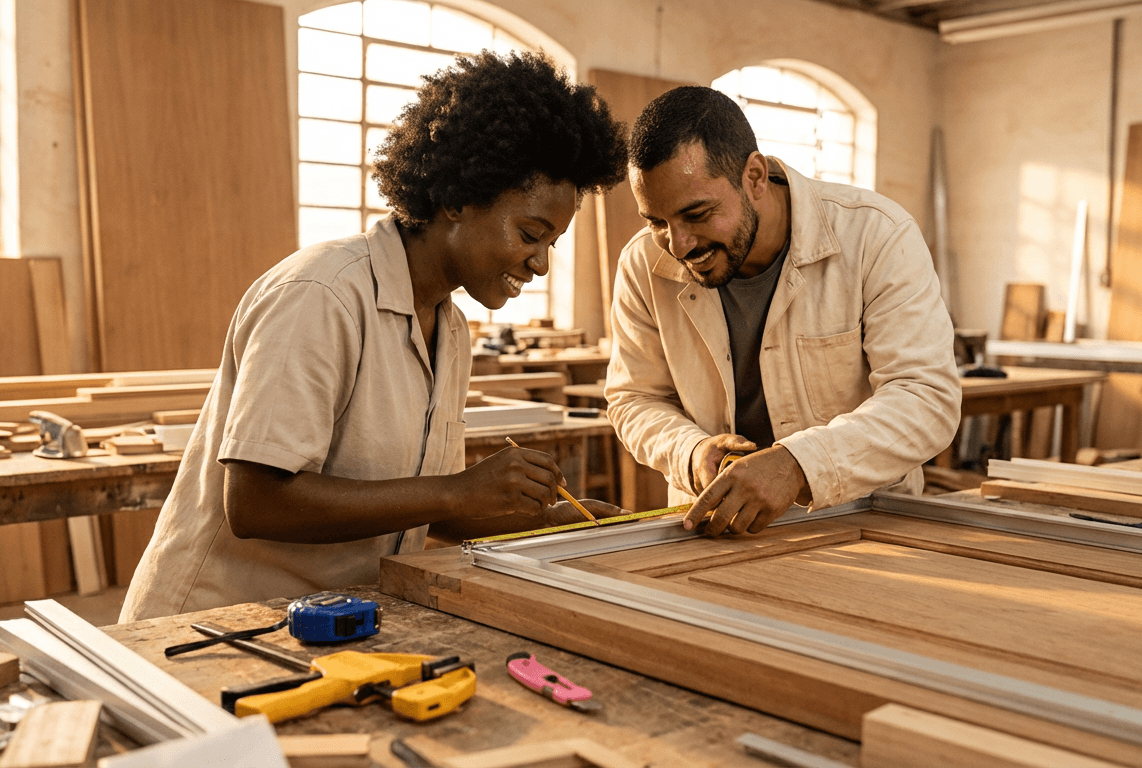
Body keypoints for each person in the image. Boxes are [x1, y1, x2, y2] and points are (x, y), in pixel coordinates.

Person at [121, 52, 628, 622]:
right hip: (214, 627)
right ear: (456, 199)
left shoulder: (449, 329)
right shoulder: (322, 295)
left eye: (551, 244)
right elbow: (257, 503)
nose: (540, 264)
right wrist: (458, 489)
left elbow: (413, 506)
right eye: (530, 234)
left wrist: (543, 523)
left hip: (330, 623)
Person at [604, 86, 960, 538]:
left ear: (754, 177)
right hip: (717, 532)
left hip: (865, 522)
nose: (678, 245)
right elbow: (635, 398)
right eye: (657, 221)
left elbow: (926, 397)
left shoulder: (876, 236)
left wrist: (799, 464)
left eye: (697, 214)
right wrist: (691, 452)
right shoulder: (643, 262)